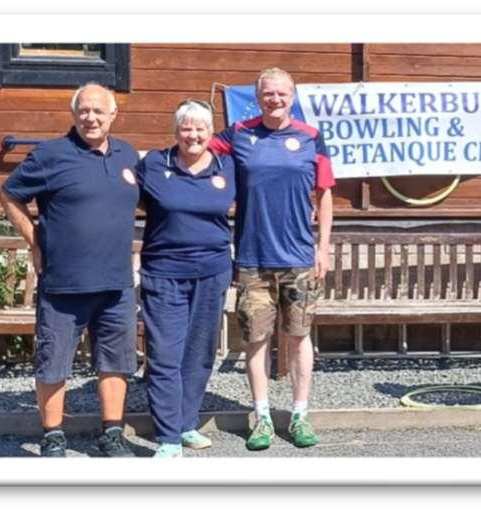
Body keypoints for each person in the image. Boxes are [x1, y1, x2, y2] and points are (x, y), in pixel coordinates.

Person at [0, 83, 140, 457]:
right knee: (53, 362)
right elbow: (9, 194)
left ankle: (112, 434)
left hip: (116, 284)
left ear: (113, 115)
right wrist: (34, 240)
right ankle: (53, 435)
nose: (91, 118)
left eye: (98, 111)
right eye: (84, 111)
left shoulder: (127, 155)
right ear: (74, 114)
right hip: (64, 283)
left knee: (115, 362)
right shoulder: (51, 154)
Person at [209, 67, 335, 450]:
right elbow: (195, 149)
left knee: (299, 337)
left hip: (299, 259)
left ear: (292, 97)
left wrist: (323, 247)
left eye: (282, 93)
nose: (275, 99)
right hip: (253, 260)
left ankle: (299, 414)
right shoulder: (238, 134)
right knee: (256, 340)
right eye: (268, 94)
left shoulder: (311, 137)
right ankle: (262, 417)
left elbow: (325, 194)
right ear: (258, 97)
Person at [135, 99, 236, 458]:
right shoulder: (154, 164)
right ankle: (167, 437)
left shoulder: (228, 166)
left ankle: (186, 423)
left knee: (199, 353)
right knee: (165, 354)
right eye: (186, 128)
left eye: (200, 128)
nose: (193, 134)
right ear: (175, 131)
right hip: (165, 273)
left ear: (211, 132)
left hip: (212, 272)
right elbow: (130, 197)